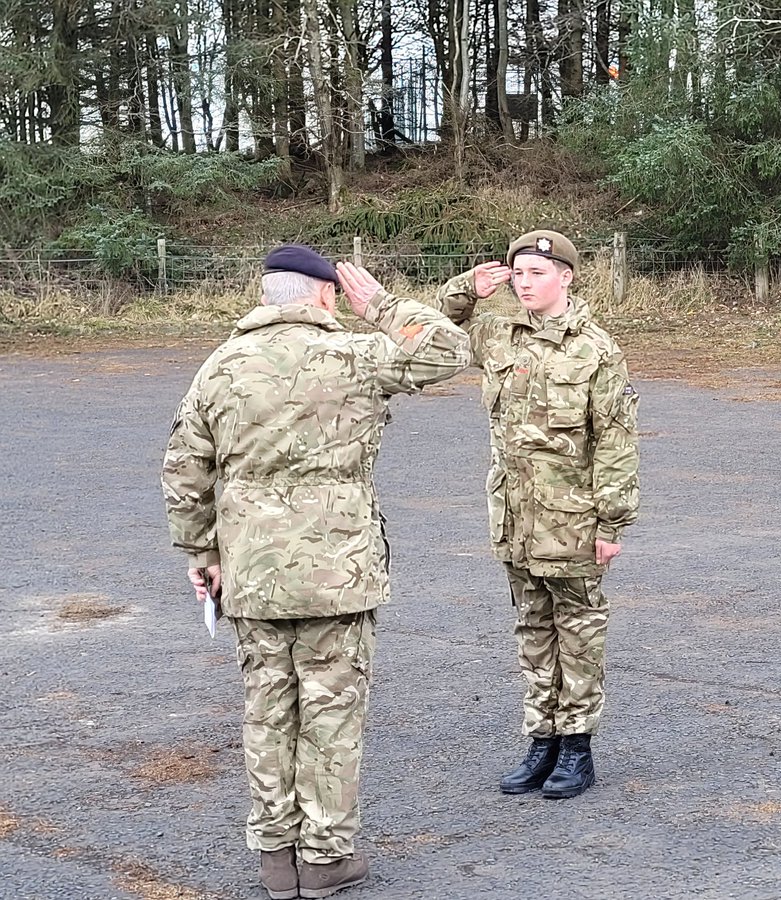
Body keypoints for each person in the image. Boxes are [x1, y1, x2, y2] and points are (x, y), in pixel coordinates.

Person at [162, 245, 470, 899]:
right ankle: (325, 856)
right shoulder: (355, 356)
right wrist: (381, 305)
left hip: (252, 574)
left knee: (268, 711)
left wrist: (202, 555)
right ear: (325, 296)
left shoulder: (220, 368)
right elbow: (448, 350)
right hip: (337, 571)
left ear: (268, 297)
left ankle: (277, 857)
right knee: (331, 713)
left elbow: (186, 469)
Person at [433, 230, 640, 800]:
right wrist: (465, 290)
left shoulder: (596, 349)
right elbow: (438, 330)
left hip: (571, 516)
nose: (524, 283)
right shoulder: (497, 333)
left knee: (578, 629)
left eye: (537, 273)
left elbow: (616, 440)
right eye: (517, 273)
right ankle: (541, 738)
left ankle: (577, 746)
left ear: (567, 277)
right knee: (531, 627)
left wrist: (612, 521)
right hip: (515, 513)